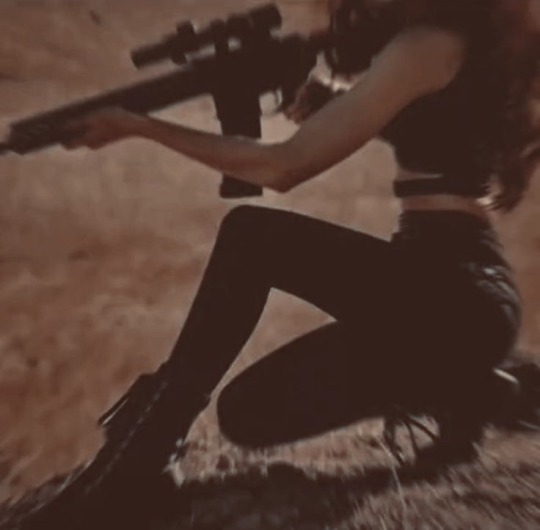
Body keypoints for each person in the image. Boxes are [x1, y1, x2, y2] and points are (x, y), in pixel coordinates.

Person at [15, 0, 540, 528]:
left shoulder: (425, 44)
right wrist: (329, 100)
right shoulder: (466, 44)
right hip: (461, 302)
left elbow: (282, 167)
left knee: (252, 236)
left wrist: (141, 127)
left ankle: (141, 461)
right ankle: (469, 389)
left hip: (448, 292)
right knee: (247, 416)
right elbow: (428, 121)